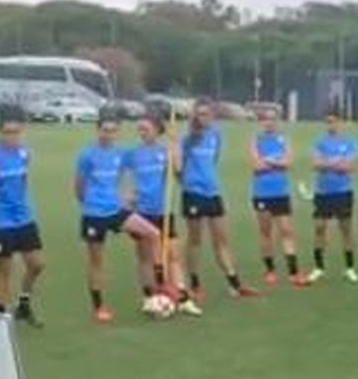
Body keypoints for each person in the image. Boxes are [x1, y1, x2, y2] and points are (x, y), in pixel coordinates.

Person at [76, 117, 161, 323]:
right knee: (97, 261)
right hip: (94, 215)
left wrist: (126, 196)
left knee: (153, 233)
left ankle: (150, 294)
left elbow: (143, 159)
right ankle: (99, 307)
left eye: (113, 131)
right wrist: (90, 204)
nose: (108, 134)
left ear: (118, 133)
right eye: (105, 130)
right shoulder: (87, 155)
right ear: (98, 130)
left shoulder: (121, 154)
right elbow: (79, 186)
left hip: (116, 210)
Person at [178, 101, 257, 298]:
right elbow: (178, 167)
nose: (202, 118)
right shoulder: (187, 138)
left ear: (212, 116)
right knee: (195, 240)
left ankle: (235, 284)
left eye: (206, 114)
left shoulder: (216, 135)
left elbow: (213, 160)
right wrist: (188, 182)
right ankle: (194, 283)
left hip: (213, 192)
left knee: (222, 240)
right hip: (193, 193)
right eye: (199, 114)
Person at [0, 104, 46, 324]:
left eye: (16, 132)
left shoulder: (24, 154)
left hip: (24, 217)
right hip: (1, 221)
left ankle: (23, 304)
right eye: (7, 133)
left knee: (37, 264)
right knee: (3, 269)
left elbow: (23, 180)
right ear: (0, 132)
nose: (12, 137)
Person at [126, 115, 202, 315]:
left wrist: (175, 142)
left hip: (163, 211)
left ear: (157, 131)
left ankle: (183, 298)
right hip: (142, 212)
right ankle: (149, 297)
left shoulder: (164, 151)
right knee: (145, 257)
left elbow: (178, 169)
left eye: (146, 129)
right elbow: (124, 177)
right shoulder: (132, 154)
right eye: (140, 129)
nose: (142, 133)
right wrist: (128, 195)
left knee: (173, 256)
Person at [249, 110, 305, 286]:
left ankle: (293, 272)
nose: (269, 123)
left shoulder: (284, 140)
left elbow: (288, 162)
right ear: (261, 122)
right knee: (266, 232)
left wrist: (269, 161)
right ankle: (270, 270)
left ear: (277, 122)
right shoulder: (255, 141)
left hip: (281, 192)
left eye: (273, 119)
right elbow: (256, 166)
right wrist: (276, 162)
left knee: (287, 231)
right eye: (266, 119)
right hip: (262, 193)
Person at [310, 109, 358, 283]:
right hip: (323, 192)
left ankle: (350, 268)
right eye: (328, 121)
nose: (330, 125)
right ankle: (318, 267)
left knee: (346, 229)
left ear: (340, 122)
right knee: (319, 228)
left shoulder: (350, 143)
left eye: (333, 121)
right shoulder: (319, 142)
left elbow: (349, 167)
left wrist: (327, 163)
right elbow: (316, 164)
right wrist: (336, 162)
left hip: (343, 192)